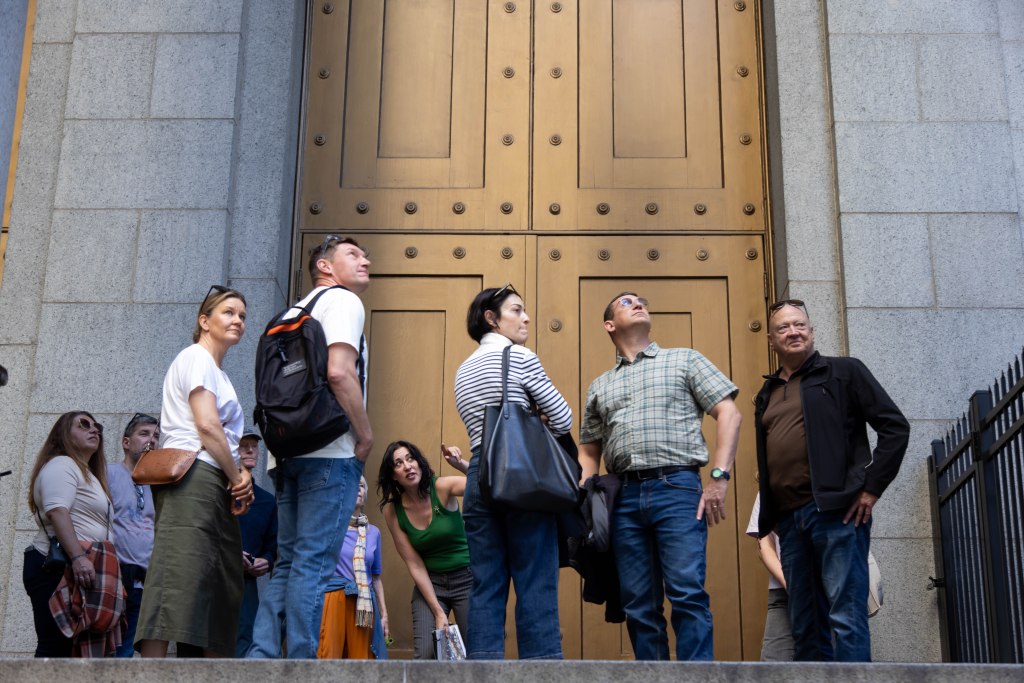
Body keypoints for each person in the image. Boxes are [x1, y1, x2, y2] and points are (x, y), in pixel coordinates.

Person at [579, 292, 743, 661]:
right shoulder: (599, 386)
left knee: (687, 593)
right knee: (638, 604)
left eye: (641, 301)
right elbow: (589, 450)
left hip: (678, 488)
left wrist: (719, 478)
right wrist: (584, 502)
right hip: (622, 499)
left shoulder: (685, 360)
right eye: (626, 302)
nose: (638, 304)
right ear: (609, 325)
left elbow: (730, 414)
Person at [754, 299, 909, 662]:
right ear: (771, 341)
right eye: (783, 328)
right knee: (805, 623)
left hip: (838, 513)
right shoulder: (767, 393)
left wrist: (871, 489)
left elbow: (895, 427)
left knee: (846, 615)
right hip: (790, 522)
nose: (793, 331)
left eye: (800, 325)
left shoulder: (844, 372)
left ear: (811, 331)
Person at [249, 235, 373, 659]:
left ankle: (263, 657)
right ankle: (300, 664)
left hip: (287, 453)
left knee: (289, 562)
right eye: (352, 254)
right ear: (324, 266)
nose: (365, 260)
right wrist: (365, 433)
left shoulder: (289, 313)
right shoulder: (343, 302)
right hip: (331, 451)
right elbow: (339, 373)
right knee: (316, 563)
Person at [453, 284, 573, 660]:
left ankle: (483, 672)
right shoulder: (519, 356)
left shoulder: (464, 368)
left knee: (485, 586)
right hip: (521, 477)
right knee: (535, 582)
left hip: (479, 476)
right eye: (516, 310)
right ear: (492, 318)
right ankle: (541, 673)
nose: (526, 318)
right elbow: (564, 418)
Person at [135, 285, 255, 658]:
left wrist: (236, 476)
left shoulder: (218, 371)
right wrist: (238, 477)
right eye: (228, 312)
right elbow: (207, 426)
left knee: (217, 579)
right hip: (194, 476)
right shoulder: (196, 357)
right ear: (204, 321)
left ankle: (206, 670)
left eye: (242, 316)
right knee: (178, 574)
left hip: (213, 478)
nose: (238, 320)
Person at [24, 412, 120, 657]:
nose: (95, 430)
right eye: (84, 424)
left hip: (79, 568)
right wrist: (78, 558)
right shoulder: (62, 464)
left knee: (73, 653)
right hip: (58, 565)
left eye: (97, 426)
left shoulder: (88, 474)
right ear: (63, 434)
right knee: (56, 647)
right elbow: (57, 511)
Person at [377, 440, 472, 659]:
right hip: (430, 584)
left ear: (419, 463)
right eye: (399, 463)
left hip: (466, 579)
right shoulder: (393, 511)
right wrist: (438, 612)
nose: (408, 466)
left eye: (410, 459)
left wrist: (461, 464)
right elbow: (415, 564)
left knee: (477, 650)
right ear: (393, 475)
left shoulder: (442, 487)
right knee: (426, 654)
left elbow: (485, 485)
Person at [318, 476, 389, 659]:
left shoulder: (374, 533)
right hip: (333, 597)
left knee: (362, 659)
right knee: (328, 656)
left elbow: (376, 577)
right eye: (352, 484)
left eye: (362, 486)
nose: (358, 489)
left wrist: (384, 614)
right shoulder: (329, 527)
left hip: (363, 604)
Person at [106, 412, 159, 657]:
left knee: (127, 650)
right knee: (109, 649)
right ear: (126, 442)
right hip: (114, 577)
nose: (152, 440)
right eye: (144, 433)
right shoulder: (108, 474)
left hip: (144, 581)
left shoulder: (158, 485)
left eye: (156, 436)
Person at [236, 427, 278, 657]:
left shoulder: (267, 501)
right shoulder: (218, 492)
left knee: (244, 642)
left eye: (254, 446)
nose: (251, 450)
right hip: (217, 579)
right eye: (244, 445)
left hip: (247, 584)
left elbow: (273, 545)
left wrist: (267, 561)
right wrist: (232, 553)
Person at [745, 492, 794, 661]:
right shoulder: (768, 488)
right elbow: (764, 547)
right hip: (784, 591)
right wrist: (792, 584)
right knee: (773, 664)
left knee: (831, 666)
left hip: (827, 590)